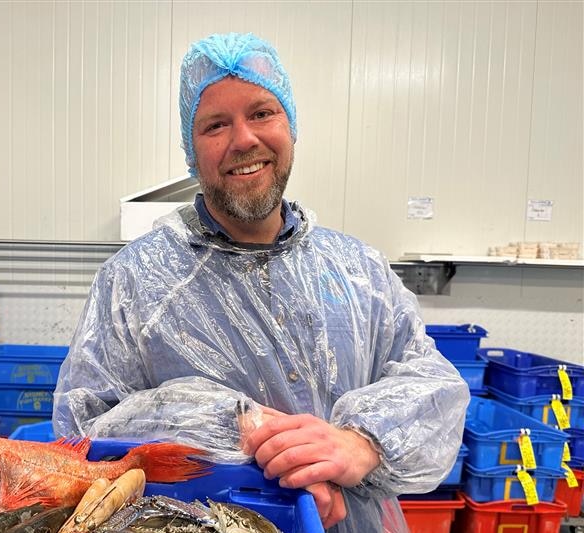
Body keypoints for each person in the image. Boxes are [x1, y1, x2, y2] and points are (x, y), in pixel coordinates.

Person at [53, 32, 469, 532]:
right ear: (192, 150)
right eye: (215, 125)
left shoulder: (360, 273)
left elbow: (433, 387)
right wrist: (245, 435)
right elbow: (81, 436)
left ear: (290, 126)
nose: (243, 139)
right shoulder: (135, 282)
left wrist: (364, 442)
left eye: (262, 113)